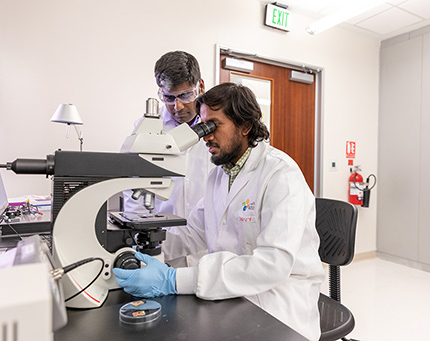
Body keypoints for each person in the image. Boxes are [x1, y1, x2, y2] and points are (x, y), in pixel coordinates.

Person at [113, 83, 323, 340]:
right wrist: (144, 252)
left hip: (278, 303)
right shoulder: (218, 176)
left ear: (245, 126)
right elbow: (193, 233)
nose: (205, 136)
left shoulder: (281, 175)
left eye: (213, 125)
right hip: (231, 293)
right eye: (202, 126)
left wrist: (172, 280)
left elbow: (272, 266)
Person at [122, 51, 211, 255]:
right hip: (164, 244)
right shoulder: (146, 130)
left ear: (201, 87)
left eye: (185, 95)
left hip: (209, 247)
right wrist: (140, 244)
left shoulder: (218, 128)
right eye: (168, 97)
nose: (176, 106)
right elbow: (133, 192)